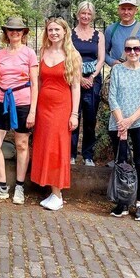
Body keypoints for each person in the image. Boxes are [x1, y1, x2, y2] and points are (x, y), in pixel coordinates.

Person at [0, 16, 39, 204]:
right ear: (6, 32)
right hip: (2, 102)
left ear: (23, 33)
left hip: (23, 103)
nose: (15, 33)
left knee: (21, 144)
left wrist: (32, 111)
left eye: (19, 30)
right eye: (11, 30)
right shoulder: (0, 55)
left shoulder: (29, 53)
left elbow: (35, 84)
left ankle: (20, 187)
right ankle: (2, 186)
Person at [31, 18, 81, 211]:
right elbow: (39, 82)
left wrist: (74, 114)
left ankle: (58, 194)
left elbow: (76, 86)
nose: (53, 33)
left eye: (57, 29)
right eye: (50, 30)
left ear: (65, 31)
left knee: (58, 149)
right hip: (44, 107)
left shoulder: (72, 55)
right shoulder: (42, 51)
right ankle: (52, 192)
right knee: (45, 147)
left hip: (62, 108)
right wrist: (35, 109)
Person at [105, 0, 140, 173]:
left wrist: (136, 60)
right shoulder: (111, 29)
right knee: (119, 114)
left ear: (136, 10)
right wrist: (114, 62)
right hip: (120, 77)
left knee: (139, 118)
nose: (126, 12)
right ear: (118, 10)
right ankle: (121, 159)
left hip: (138, 76)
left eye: (130, 8)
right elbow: (104, 54)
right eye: (123, 8)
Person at [107, 37, 140, 220]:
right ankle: (123, 202)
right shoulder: (117, 70)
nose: (133, 52)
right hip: (118, 124)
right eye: (129, 49)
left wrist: (129, 121)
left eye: (136, 49)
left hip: (139, 123)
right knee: (122, 164)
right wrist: (121, 123)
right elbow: (112, 97)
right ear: (124, 50)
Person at [71, 1, 105, 166]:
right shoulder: (69, 34)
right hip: (73, 79)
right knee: (73, 115)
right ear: (78, 14)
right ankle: (71, 153)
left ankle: (88, 155)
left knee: (90, 119)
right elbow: (67, 58)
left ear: (93, 16)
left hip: (93, 80)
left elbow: (101, 59)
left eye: (89, 14)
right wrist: (79, 78)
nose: (85, 16)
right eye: (83, 13)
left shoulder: (99, 35)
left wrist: (91, 77)